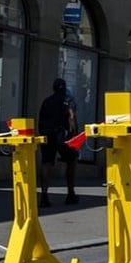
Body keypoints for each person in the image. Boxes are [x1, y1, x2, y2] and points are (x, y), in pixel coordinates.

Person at [38, 77, 79, 207]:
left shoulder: (47, 101)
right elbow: (71, 116)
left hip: (47, 134)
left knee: (47, 163)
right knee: (71, 160)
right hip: (62, 134)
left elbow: (41, 118)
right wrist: (74, 133)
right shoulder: (68, 100)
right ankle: (70, 193)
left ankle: (44, 196)